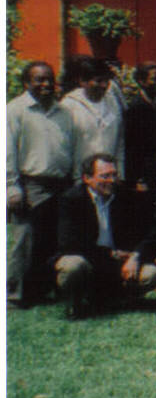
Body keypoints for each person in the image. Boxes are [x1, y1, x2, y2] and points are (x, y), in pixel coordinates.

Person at [54, 154, 156, 319]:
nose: (111, 180)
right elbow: (70, 243)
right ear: (87, 178)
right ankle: (74, 304)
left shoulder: (127, 196)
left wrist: (135, 257)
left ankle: (121, 300)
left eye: (114, 175)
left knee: (151, 273)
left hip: (120, 263)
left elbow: (151, 232)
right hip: (89, 260)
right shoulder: (72, 199)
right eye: (105, 176)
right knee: (72, 265)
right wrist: (111, 254)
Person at [7, 62, 75, 307]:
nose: (46, 84)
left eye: (49, 79)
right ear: (27, 83)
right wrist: (11, 188)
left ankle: (45, 289)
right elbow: (7, 152)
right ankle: (14, 294)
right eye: (39, 80)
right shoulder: (15, 110)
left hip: (61, 184)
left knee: (55, 240)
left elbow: (71, 148)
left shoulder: (64, 112)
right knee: (25, 240)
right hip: (30, 184)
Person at [61, 57, 125, 180]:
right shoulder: (69, 105)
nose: (104, 85)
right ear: (83, 81)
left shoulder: (113, 103)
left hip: (109, 177)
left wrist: (120, 174)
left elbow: (120, 142)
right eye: (99, 81)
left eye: (107, 81)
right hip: (80, 178)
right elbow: (64, 146)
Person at [124, 62, 156, 192]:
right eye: (154, 79)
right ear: (141, 81)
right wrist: (138, 178)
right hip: (144, 171)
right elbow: (131, 146)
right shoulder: (135, 108)